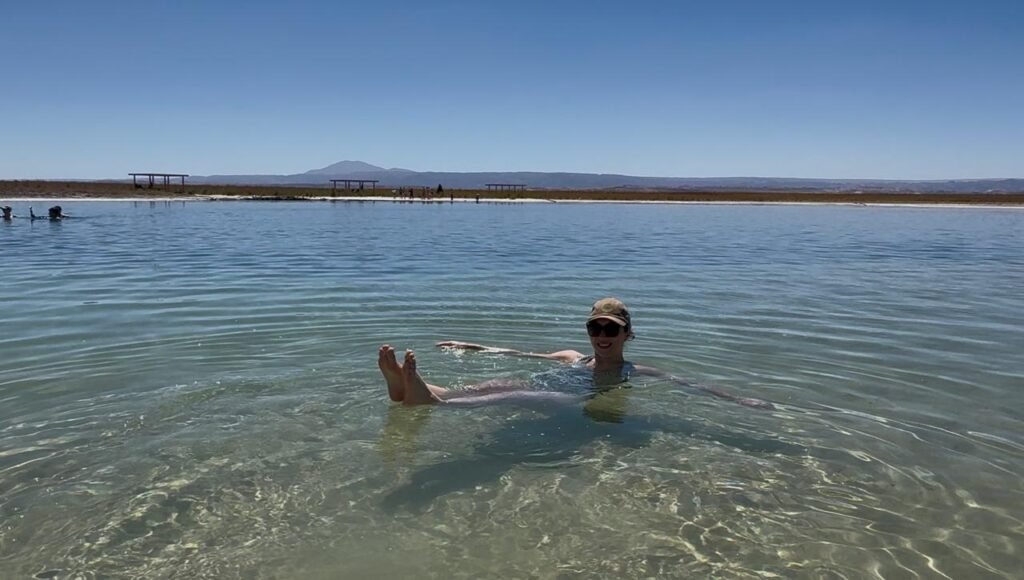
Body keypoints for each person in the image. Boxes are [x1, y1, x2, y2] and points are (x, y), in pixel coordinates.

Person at [378, 297, 774, 409]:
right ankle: (415, 388)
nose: (602, 335)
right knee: (499, 382)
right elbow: (521, 354)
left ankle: (423, 396)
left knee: (526, 394)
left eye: (611, 330)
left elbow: (690, 385)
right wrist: (472, 345)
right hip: (549, 382)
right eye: (595, 327)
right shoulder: (571, 356)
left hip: (567, 400)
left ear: (627, 335)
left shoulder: (635, 372)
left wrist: (738, 399)